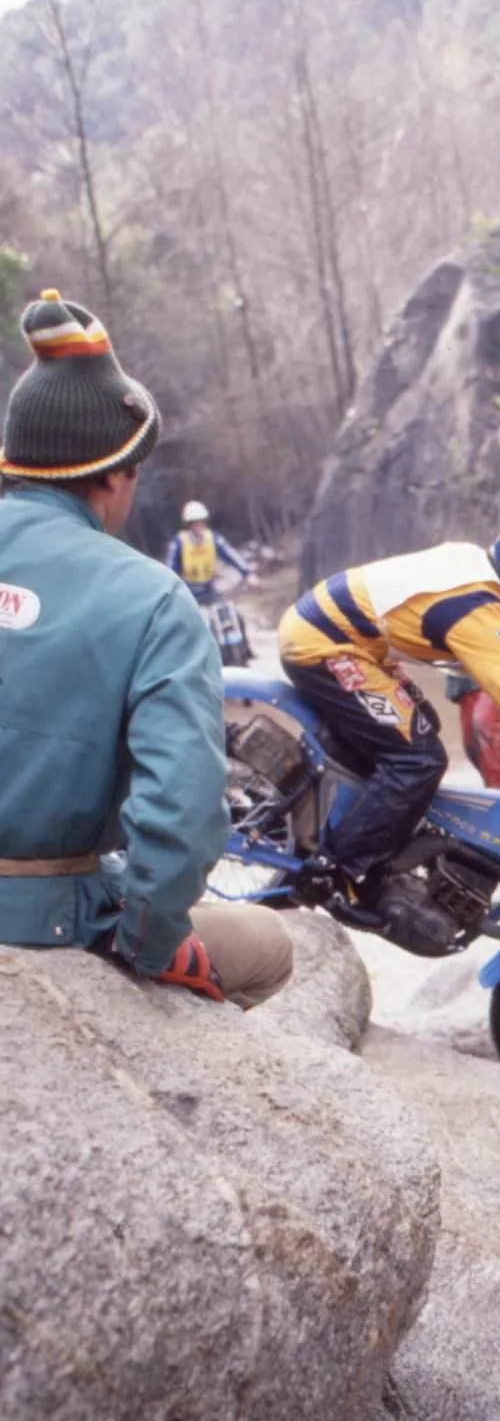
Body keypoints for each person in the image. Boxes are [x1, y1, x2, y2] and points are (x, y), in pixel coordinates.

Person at [0, 289, 292, 1008]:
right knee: (270, 948)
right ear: (113, 474)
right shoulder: (153, 598)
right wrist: (147, 940)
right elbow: (182, 811)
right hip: (48, 914)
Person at [277, 512, 500, 920]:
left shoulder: (476, 572)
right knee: (418, 760)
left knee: (420, 728)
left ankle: (359, 835)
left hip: (342, 635)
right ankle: (332, 870)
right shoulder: (476, 610)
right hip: (325, 644)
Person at [166, 499, 254, 605]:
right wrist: (172, 592)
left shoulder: (213, 538)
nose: (199, 525)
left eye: (202, 521)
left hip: (210, 589)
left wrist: (247, 573)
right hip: (189, 593)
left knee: (229, 611)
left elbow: (231, 555)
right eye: (195, 522)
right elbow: (170, 570)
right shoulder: (179, 542)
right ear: (189, 525)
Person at [443, 665, 500, 788]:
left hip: (489, 674)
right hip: (464, 680)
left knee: (483, 727)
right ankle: (493, 785)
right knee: (471, 744)